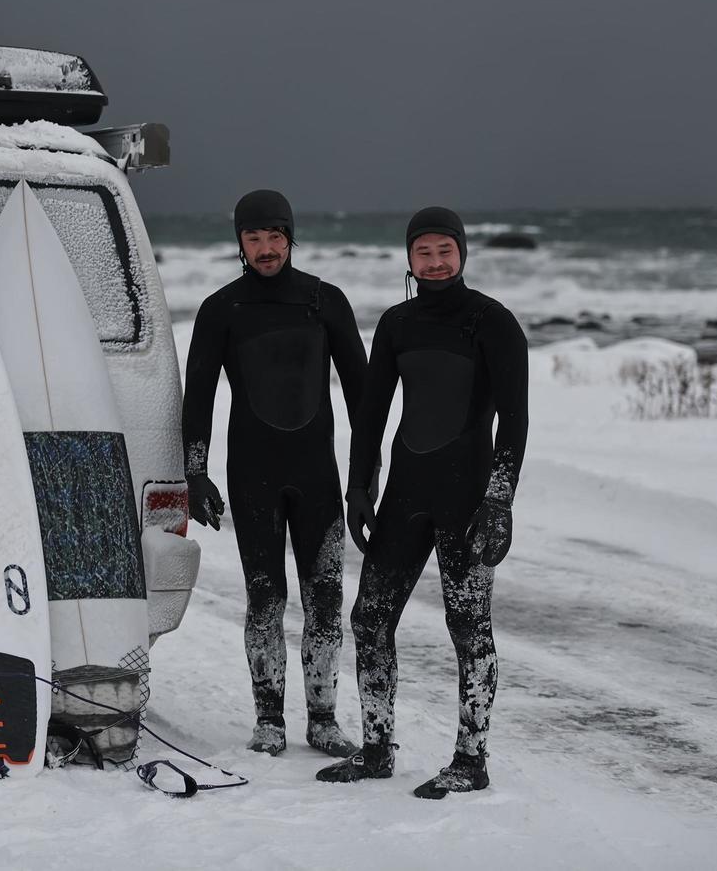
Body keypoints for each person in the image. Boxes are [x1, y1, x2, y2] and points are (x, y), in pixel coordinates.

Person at [316, 206, 527, 799]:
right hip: (407, 494)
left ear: (462, 253)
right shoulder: (396, 324)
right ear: (409, 258)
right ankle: (377, 747)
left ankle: (471, 758)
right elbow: (372, 413)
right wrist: (361, 486)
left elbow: (515, 423)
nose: (435, 263)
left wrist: (499, 500)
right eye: (423, 252)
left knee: (469, 627)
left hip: (469, 498)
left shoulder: (493, 322)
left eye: (445, 251)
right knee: (370, 618)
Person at [181, 189, 368, 758]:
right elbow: (199, 398)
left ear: (291, 237)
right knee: (264, 598)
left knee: (326, 598)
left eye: (275, 237)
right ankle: (268, 718)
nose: (266, 249)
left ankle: (324, 718)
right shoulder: (221, 309)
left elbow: (365, 399)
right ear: (239, 242)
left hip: (319, 475)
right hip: (253, 473)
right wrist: (196, 473)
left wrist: (362, 480)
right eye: (254, 238)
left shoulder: (325, 301)